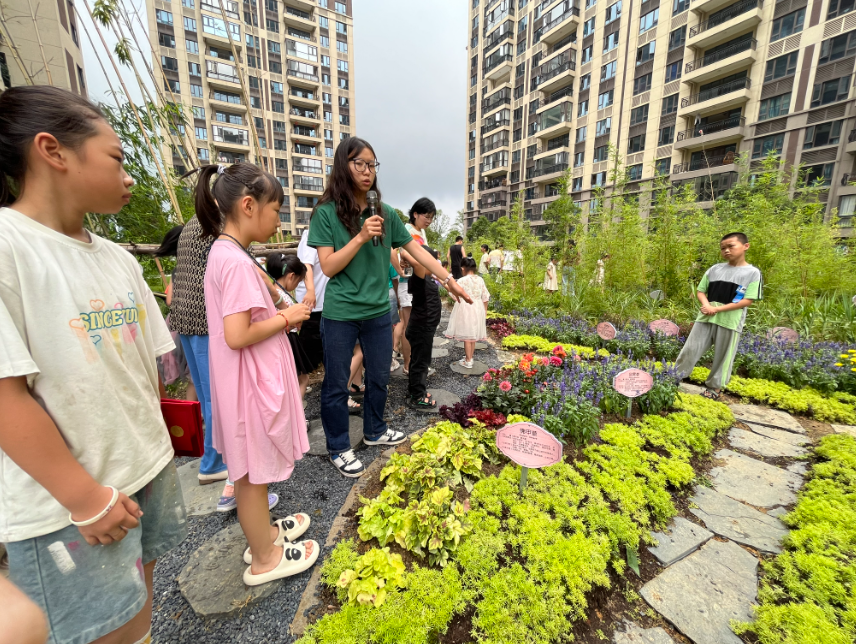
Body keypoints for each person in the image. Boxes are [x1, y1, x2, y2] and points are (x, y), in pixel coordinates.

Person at [0, 85, 187, 644]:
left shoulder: (116, 256)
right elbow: (7, 397)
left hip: (143, 469)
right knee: (97, 630)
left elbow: (150, 363)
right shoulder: (11, 247)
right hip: (70, 505)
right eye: (117, 158)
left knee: (137, 610)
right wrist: (85, 498)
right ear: (52, 151)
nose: (128, 176)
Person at [307, 139, 471, 477]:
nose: (368, 172)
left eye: (372, 165)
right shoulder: (325, 214)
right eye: (360, 164)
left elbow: (417, 250)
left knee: (380, 375)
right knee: (337, 382)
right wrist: (360, 237)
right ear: (343, 166)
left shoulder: (384, 212)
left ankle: (375, 430)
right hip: (340, 313)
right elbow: (329, 266)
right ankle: (338, 446)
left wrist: (448, 280)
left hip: (379, 311)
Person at [193, 162, 317, 585]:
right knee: (251, 475)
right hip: (247, 386)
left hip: (239, 382)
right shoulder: (236, 262)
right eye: (276, 209)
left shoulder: (226, 254)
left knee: (250, 473)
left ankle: (262, 534)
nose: (279, 218)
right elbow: (238, 334)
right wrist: (289, 317)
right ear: (249, 206)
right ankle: (264, 557)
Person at [171, 210, 229, 487]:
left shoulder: (198, 220)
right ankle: (213, 464)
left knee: (208, 396)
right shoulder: (217, 223)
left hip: (184, 318)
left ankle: (214, 458)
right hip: (204, 320)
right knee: (217, 398)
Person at [674, 232, 763, 400]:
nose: (726, 250)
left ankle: (714, 388)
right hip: (706, 317)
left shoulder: (752, 273)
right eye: (723, 248)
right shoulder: (715, 269)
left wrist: (718, 310)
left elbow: (747, 300)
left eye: (731, 246)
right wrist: (707, 305)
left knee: (724, 356)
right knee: (690, 349)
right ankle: (674, 377)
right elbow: (701, 291)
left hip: (730, 321)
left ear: (746, 246)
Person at [154, 225, 197, 401]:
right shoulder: (200, 267)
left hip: (177, 324)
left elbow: (170, 300)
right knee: (195, 376)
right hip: (196, 325)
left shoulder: (178, 269)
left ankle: (192, 415)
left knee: (192, 375)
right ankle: (199, 414)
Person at [267, 252, 313, 400]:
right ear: (291, 276)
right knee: (302, 379)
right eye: (298, 282)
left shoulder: (274, 292)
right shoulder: (283, 296)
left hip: (283, 340)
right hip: (289, 340)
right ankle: (297, 416)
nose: (297, 286)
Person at [404, 241, 443, 409]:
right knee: (421, 362)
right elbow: (415, 260)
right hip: (421, 327)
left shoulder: (426, 277)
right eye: (431, 263)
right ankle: (417, 396)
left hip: (423, 327)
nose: (435, 266)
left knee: (419, 359)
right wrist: (406, 254)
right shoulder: (419, 276)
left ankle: (416, 389)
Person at [294, 227, 327, 389]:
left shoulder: (329, 234)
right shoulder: (312, 234)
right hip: (312, 305)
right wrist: (311, 291)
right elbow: (306, 265)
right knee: (306, 354)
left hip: (324, 304)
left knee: (325, 351)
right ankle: (296, 389)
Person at [445, 257, 490, 369]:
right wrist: (485, 310)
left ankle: (468, 360)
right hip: (478, 307)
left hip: (466, 308)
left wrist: (445, 286)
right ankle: (470, 357)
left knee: (467, 334)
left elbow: (454, 294)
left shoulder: (462, 280)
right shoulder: (480, 279)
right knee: (473, 334)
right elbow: (485, 296)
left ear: (463, 268)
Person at [395, 253, 413, 374]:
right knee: (408, 326)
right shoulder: (406, 239)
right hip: (408, 283)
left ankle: (411, 363)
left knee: (410, 326)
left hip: (410, 284)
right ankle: (408, 364)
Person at [388, 261, 401, 372]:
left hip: (372, 293)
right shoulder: (388, 260)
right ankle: (390, 360)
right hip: (389, 293)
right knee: (390, 326)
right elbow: (395, 280)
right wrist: (398, 297)